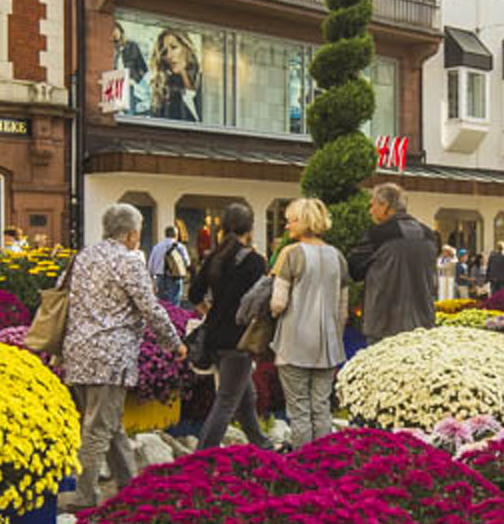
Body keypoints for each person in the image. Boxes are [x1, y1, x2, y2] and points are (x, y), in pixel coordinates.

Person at [59, 203, 183, 505]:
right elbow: (150, 306)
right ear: (132, 234)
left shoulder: (83, 256)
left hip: (77, 351)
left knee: (109, 423)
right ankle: (85, 493)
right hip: (110, 356)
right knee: (99, 428)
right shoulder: (128, 261)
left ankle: (131, 488)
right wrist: (174, 342)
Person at [187, 199, 270, 450]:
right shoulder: (255, 261)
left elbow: (194, 294)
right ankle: (203, 456)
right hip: (239, 339)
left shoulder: (215, 257)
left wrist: (211, 311)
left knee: (245, 398)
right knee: (226, 401)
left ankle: (262, 444)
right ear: (250, 228)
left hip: (213, 335)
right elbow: (258, 301)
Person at [270, 197, 350, 448]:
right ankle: (324, 463)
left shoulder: (290, 254)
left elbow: (278, 303)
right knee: (321, 407)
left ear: (302, 222)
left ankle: (303, 467)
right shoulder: (337, 256)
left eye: (290, 221)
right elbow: (343, 308)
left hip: (294, 343)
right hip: (328, 345)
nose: (286, 227)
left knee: (299, 411)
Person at [348, 183, 437, 344]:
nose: (370, 211)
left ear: (385, 206)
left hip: (384, 324)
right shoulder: (428, 234)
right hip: (423, 323)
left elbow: (354, 269)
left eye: (372, 205)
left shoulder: (378, 235)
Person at [148, 221, 192, 306]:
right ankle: (173, 319)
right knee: (174, 302)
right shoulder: (179, 246)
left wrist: (152, 278)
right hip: (175, 277)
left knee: (162, 303)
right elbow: (187, 262)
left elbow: (150, 265)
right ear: (176, 234)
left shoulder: (157, 247)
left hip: (160, 277)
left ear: (165, 234)